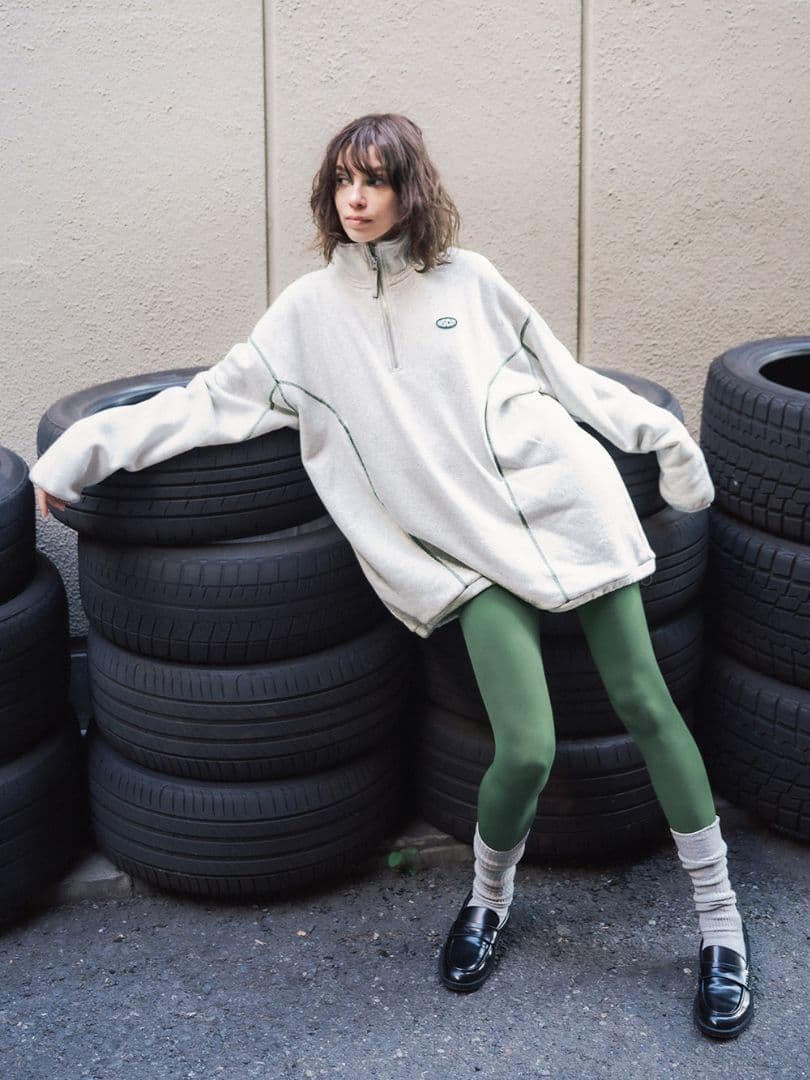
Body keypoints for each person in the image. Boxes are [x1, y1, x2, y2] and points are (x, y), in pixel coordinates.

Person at [32, 113, 752, 1039]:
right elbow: (208, 402)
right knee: (527, 747)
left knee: (647, 704)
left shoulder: (472, 281)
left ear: (411, 189)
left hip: (565, 505)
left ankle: (723, 929)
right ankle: (488, 902)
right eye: (343, 180)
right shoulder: (306, 316)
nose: (357, 198)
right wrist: (79, 452)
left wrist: (665, 440)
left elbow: (568, 379)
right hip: (459, 546)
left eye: (375, 180)